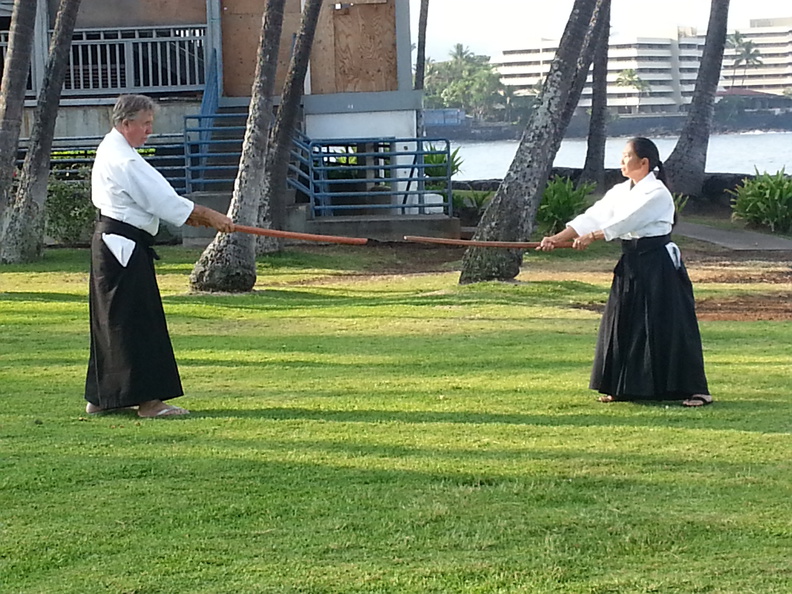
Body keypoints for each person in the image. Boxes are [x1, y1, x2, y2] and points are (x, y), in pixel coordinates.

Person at [84, 94, 235, 418]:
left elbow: (157, 202)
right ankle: (150, 403)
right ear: (127, 124)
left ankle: (103, 397)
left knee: (113, 322)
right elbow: (162, 200)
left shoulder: (112, 149)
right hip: (121, 248)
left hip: (114, 246)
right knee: (138, 322)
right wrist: (210, 216)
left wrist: (196, 217)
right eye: (146, 124)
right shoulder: (124, 160)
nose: (149, 131)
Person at [537, 137, 712, 407]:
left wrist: (594, 237)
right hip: (631, 262)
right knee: (624, 322)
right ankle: (626, 387)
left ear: (644, 162)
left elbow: (626, 220)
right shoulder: (621, 191)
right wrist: (557, 237)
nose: (621, 161)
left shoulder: (657, 193)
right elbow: (594, 215)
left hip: (658, 264)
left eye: (626, 156)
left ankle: (696, 390)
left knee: (670, 324)